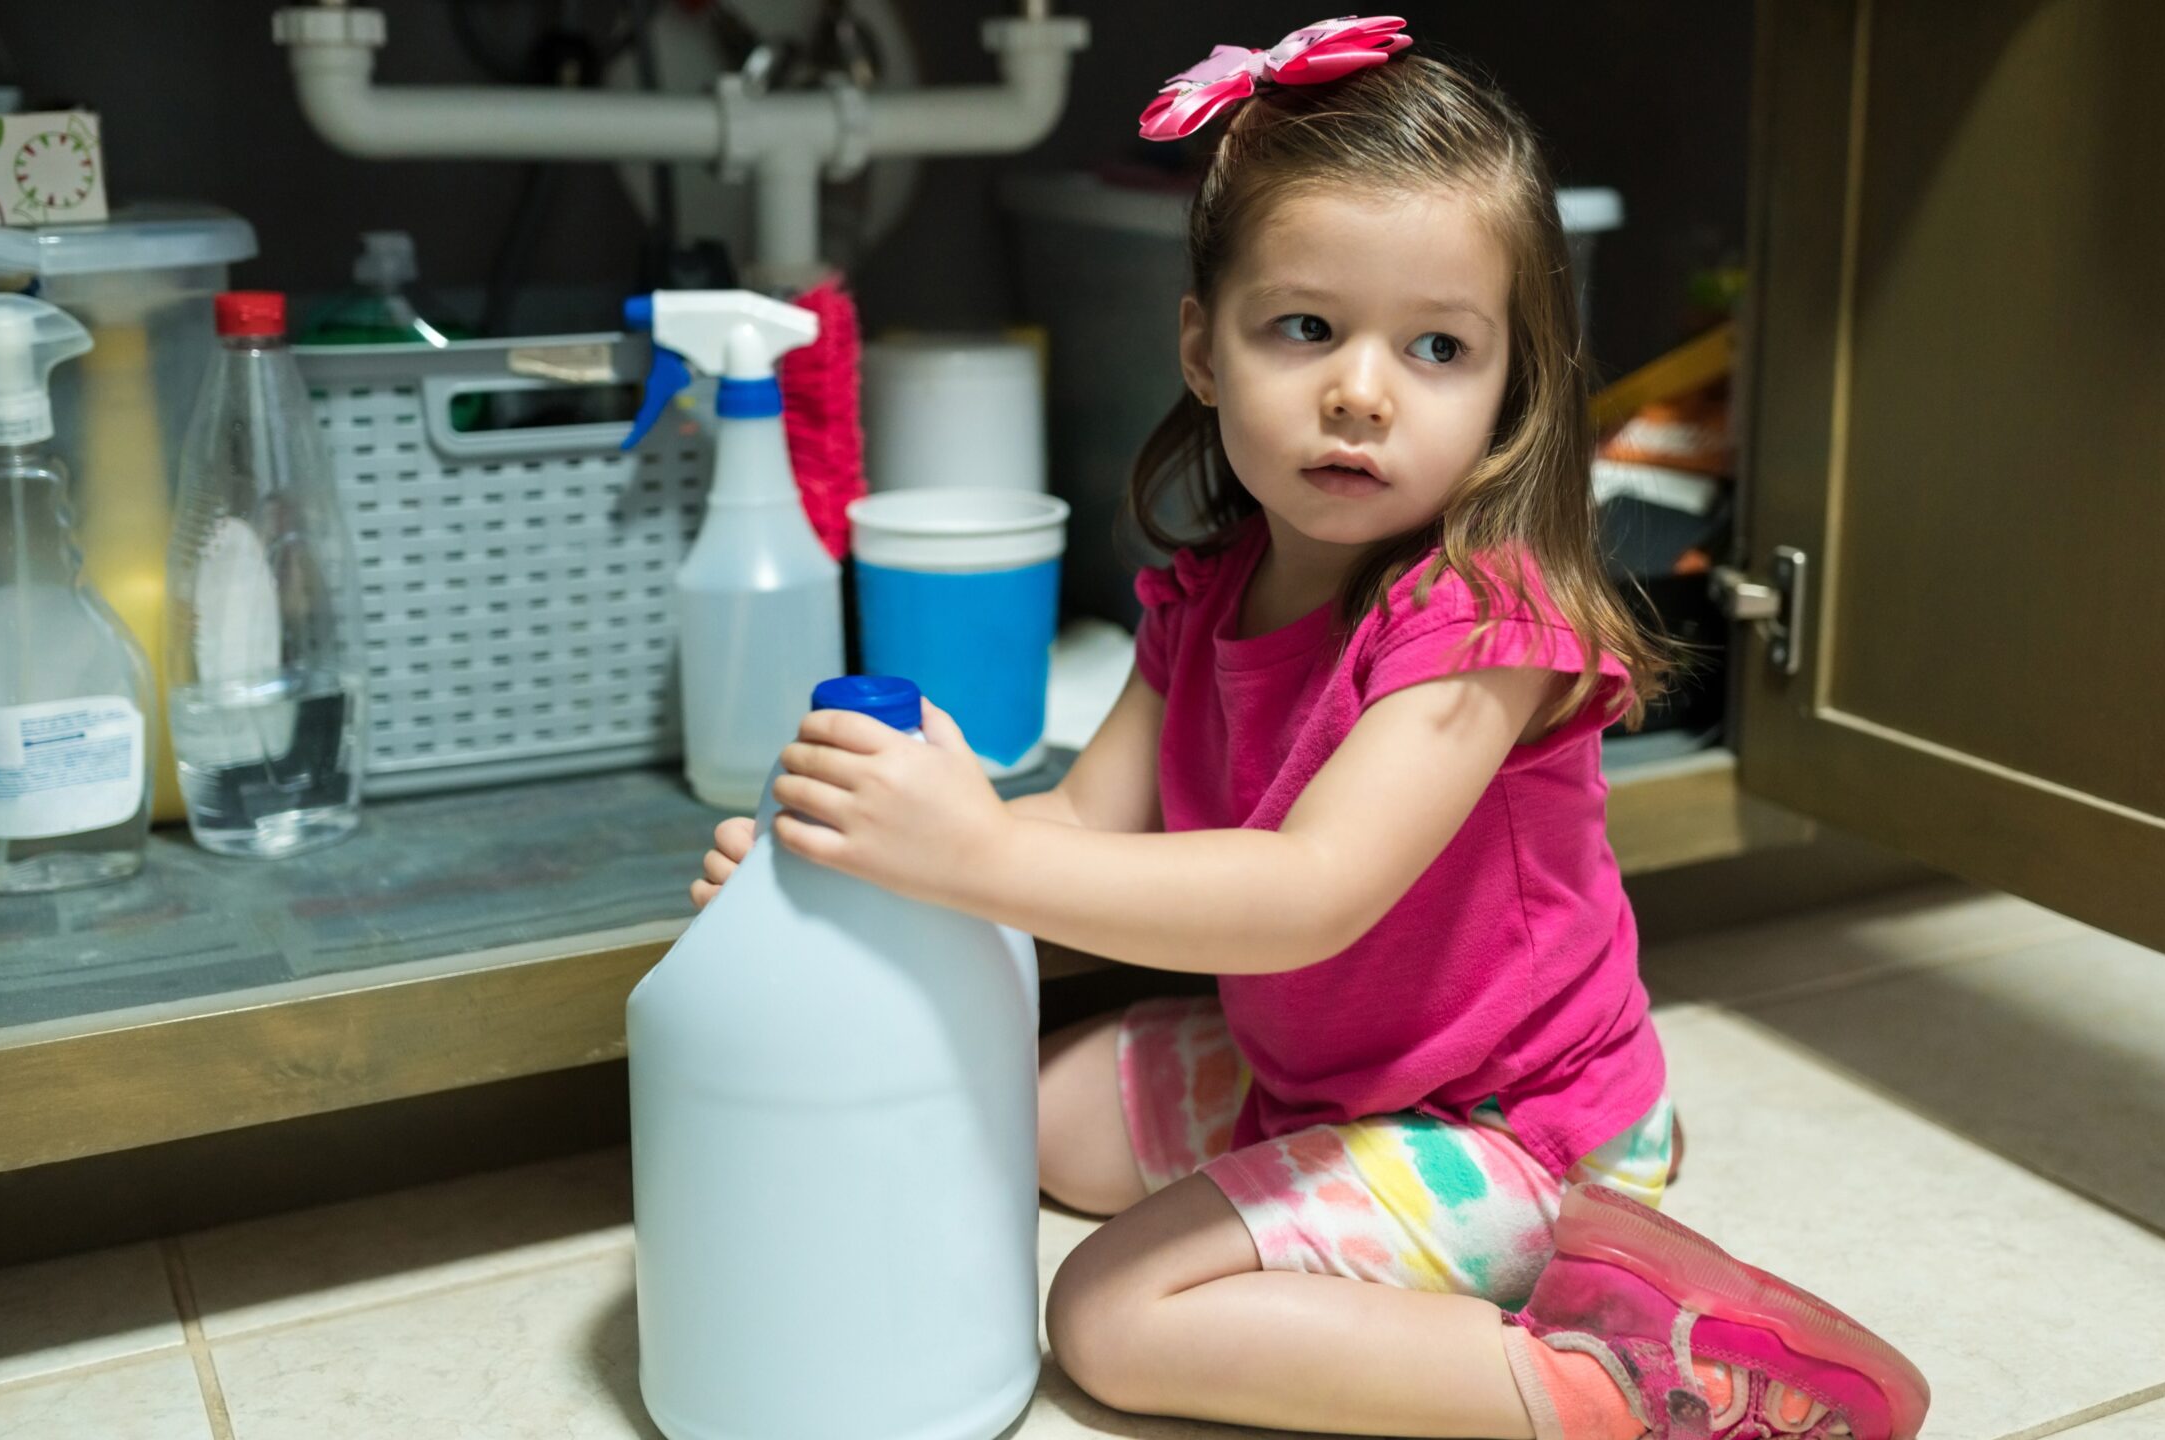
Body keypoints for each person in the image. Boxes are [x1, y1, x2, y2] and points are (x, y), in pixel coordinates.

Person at [693, 17, 1930, 1439]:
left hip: (1513, 1125)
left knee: (1110, 1315)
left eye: (1439, 347)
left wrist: (962, 851)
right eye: (1305, 327)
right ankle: (1422, 1240)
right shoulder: (1208, 592)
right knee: (1027, 1112)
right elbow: (1086, 828)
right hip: (1326, 1080)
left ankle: (1621, 1385)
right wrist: (848, 880)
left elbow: (1308, 895)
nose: (1360, 389)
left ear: (1509, 389)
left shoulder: (1485, 619)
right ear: (1204, 349)